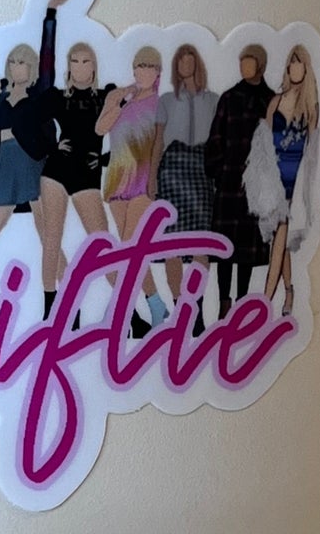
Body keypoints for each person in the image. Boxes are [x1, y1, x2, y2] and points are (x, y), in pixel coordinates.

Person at [0, 0, 74, 310]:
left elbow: (48, 56)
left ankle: (71, 301)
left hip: (33, 164)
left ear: (31, 68)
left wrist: (50, 15)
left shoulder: (39, 93)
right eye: (13, 61)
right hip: (5, 168)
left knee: (49, 238)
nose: (17, 66)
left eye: (22, 62)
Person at [33, 30, 112, 314]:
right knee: (52, 237)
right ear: (68, 66)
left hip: (86, 175)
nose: (79, 66)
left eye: (85, 61)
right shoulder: (57, 97)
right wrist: (50, 147)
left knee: (102, 241)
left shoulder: (105, 96)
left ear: (94, 66)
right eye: (74, 61)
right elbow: (25, 122)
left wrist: (105, 159)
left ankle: (127, 310)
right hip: (57, 171)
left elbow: (129, 133)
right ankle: (50, 308)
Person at [98, 47, 171, 333]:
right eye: (139, 66)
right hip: (118, 181)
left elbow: (159, 146)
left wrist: (153, 182)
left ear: (158, 72)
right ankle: (156, 303)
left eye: (149, 66)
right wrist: (116, 100)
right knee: (135, 252)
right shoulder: (124, 101)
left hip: (142, 183)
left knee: (129, 249)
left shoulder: (159, 105)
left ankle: (115, 309)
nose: (142, 72)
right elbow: (100, 129)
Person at [247, 42, 320, 318]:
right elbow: (263, 145)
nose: (295, 66)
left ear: (306, 68)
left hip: (294, 179)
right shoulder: (275, 101)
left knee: (281, 235)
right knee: (279, 238)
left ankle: (265, 301)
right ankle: (288, 291)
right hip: (274, 179)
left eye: (300, 62)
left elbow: (313, 152)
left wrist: (307, 190)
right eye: (292, 61)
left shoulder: (311, 106)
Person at [203, 39, 274, 320]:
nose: (245, 67)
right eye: (242, 62)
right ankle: (224, 301)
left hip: (258, 185)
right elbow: (216, 137)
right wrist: (219, 171)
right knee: (225, 247)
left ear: (261, 66)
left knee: (246, 248)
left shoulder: (270, 100)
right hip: (230, 182)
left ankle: (242, 301)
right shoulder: (229, 97)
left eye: (250, 62)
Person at [153, 42, 217, 307]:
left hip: (201, 169)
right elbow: (158, 141)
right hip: (172, 169)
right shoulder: (167, 100)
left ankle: (196, 305)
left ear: (197, 64)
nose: (185, 64)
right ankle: (179, 303)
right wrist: (152, 178)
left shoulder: (213, 100)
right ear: (176, 66)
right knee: (173, 242)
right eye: (181, 60)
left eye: (190, 60)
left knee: (201, 241)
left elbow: (219, 141)